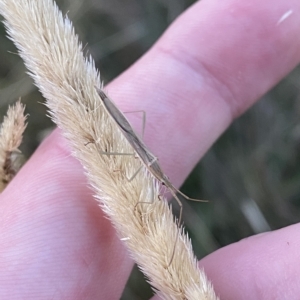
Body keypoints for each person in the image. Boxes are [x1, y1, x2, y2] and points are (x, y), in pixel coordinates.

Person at [1, 0, 300, 298]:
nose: (174, 191)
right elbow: (133, 153)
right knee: (129, 138)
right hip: (128, 137)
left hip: (134, 147)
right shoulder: (152, 167)